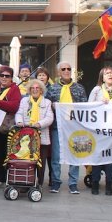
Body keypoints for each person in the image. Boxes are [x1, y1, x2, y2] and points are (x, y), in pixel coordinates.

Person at [45, 61, 87, 193]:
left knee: (75, 154)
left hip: (74, 127)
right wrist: (52, 105)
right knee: (56, 156)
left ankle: (73, 182)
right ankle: (56, 181)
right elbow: (46, 104)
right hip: (58, 126)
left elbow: (85, 106)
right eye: (63, 69)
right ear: (59, 72)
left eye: (69, 69)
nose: (66, 71)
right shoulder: (52, 88)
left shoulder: (79, 88)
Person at [88, 66, 112, 195]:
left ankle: (109, 183)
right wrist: (98, 103)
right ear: (102, 77)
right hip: (99, 130)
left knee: (110, 158)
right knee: (98, 157)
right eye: (106, 73)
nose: (110, 75)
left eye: (111, 73)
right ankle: (95, 182)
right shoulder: (97, 90)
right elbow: (87, 107)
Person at [0, 66, 22, 188]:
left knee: (7, 153)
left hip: (7, 126)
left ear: (11, 78)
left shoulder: (15, 89)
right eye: (2, 75)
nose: (4, 78)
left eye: (7, 76)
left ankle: (7, 177)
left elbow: (14, 106)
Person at [15, 79, 54, 186]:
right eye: (33, 88)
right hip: (26, 137)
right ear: (29, 90)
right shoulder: (24, 101)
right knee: (27, 162)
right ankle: (27, 183)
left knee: (40, 163)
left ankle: (39, 184)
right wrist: (19, 121)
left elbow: (50, 118)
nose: (35, 90)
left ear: (41, 90)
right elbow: (19, 113)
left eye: (37, 88)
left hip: (42, 138)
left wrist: (39, 124)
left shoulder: (47, 102)